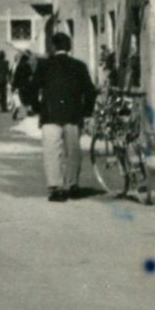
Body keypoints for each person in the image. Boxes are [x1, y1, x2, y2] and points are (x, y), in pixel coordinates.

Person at [35, 32, 98, 202]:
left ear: (53, 47)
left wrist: (36, 107)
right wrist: (86, 112)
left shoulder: (44, 65)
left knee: (52, 152)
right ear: (69, 47)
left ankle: (55, 188)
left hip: (50, 115)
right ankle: (72, 185)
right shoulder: (79, 66)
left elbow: (32, 88)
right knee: (73, 151)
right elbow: (90, 92)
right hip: (73, 114)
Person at [12, 51, 38, 118]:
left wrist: (14, 86)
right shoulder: (27, 66)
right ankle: (29, 110)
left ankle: (17, 108)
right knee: (27, 99)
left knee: (20, 99)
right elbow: (31, 75)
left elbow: (16, 76)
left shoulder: (19, 66)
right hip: (27, 85)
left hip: (20, 85)